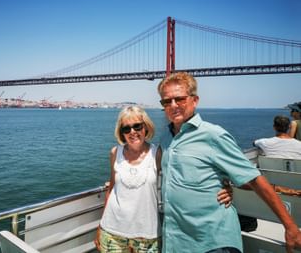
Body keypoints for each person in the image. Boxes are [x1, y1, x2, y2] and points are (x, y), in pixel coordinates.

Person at [157, 72, 301, 253]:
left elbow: (254, 178)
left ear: (195, 100)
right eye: (166, 101)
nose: (173, 105)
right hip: (177, 242)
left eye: (180, 99)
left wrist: (290, 226)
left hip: (212, 241)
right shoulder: (165, 137)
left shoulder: (213, 135)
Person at [95, 106, 232, 253]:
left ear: (145, 127)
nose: (132, 132)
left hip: (147, 235)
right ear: (121, 132)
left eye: (137, 126)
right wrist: (100, 225)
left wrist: (223, 186)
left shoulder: (158, 153)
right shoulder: (115, 153)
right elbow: (112, 189)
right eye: (126, 129)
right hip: (112, 231)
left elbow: (184, 179)